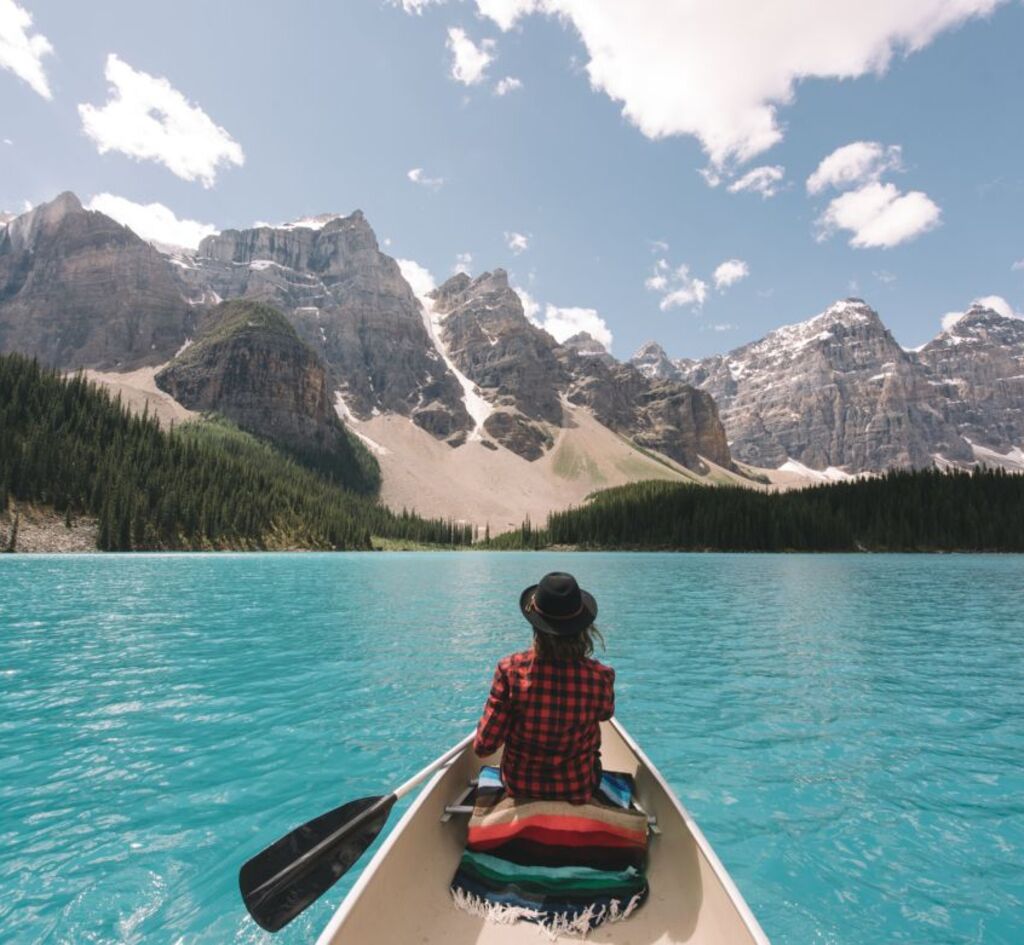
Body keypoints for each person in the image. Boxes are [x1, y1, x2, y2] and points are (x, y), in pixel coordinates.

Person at [473, 572, 615, 804]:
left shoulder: (510, 670)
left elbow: (484, 746)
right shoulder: (601, 677)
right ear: (582, 628)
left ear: (536, 625)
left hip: (519, 787)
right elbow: (605, 713)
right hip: (578, 787)